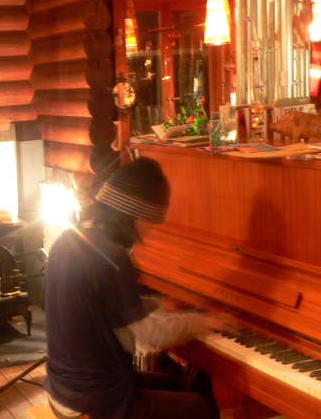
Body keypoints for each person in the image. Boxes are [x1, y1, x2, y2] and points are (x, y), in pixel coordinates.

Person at [44, 157, 233, 419]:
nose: (152, 230)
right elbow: (152, 335)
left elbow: (101, 302)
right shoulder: (112, 259)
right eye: (150, 221)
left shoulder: (70, 238)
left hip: (64, 388)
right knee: (206, 408)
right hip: (93, 402)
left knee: (174, 384)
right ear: (132, 215)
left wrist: (156, 304)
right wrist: (203, 321)